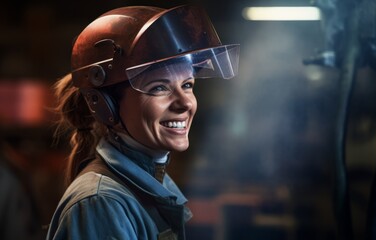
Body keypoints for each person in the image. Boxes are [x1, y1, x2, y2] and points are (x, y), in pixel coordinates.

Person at [45, 4, 239, 240]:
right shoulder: (102, 205)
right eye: (159, 87)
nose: (185, 103)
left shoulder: (149, 187)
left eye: (187, 85)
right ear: (106, 104)